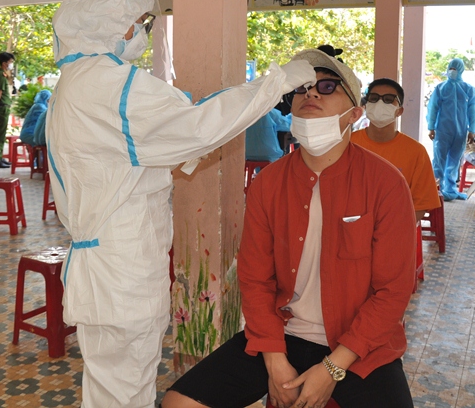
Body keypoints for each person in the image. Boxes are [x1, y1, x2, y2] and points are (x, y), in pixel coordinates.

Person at [47, 0, 315, 408]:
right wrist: (277, 83)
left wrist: (212, 114)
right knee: (123, 393)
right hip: (122, 273)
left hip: (106, 270)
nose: (144, 31)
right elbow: (197, 126)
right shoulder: (112, 84)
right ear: (109, 17)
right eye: (139, 20)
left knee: (112, 388)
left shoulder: (77, 81)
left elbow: (171, 131)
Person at [163, 49, 416, 408]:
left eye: (327, 86)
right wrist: (274, 360)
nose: (311, 93)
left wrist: (332, 368)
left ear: (355, 115)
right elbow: (254, 278)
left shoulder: (385, 183)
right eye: (302, 88)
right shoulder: (270, 182)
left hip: (360, 346)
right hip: (282, 335)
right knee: (179, 404)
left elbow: (393, 291)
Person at [351, 78, 440, 221]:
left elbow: (420, 206)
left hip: (394, 229)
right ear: (366, 105)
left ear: (399, 111)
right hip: (350, 228)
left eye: (388, 99)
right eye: (374, 98)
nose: (380, 103)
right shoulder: (346, 144)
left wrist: (391, 232)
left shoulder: (416, 152)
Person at [427, 58, 475, 201]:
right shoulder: (440, 88)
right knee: (439, 160)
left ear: (461, 71)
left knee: (454, 162)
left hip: (461, 132)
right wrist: (431, 127)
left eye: (455, 69)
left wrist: (472, 130)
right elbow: (433, 108)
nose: (452, 72)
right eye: (451, 69)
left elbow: (473, 111)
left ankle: (450, 189)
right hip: (442, 130)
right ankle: (435, 189)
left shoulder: (468, 89)